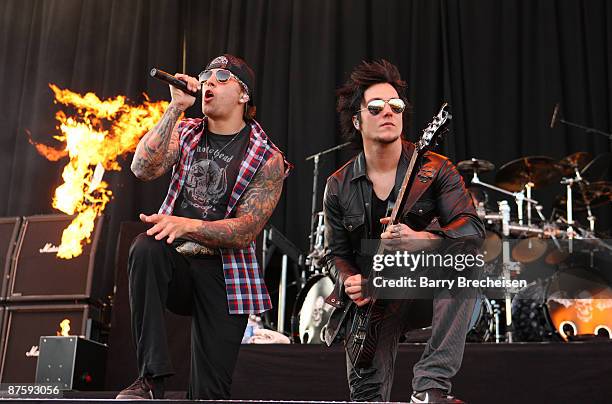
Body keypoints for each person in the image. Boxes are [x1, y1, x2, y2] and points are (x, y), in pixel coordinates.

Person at [116, 54, 291, 400]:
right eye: (206, 75)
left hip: (226, 277)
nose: (209, 81)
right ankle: (151, 380)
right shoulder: (186, 131)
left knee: (209, 394)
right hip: (178, 263)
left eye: (222, 77)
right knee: (145, 248)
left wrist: (188, 224)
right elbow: (141, 168)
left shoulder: (267, 158)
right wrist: (175, 108)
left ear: (244, 95)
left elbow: (246, 230)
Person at [322, 60, 485, 403]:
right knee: (367, 395)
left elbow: (472, 228)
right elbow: (335, 253)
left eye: (395, 107)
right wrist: (349, 279)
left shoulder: (436, 168)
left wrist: (423, 240)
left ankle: (430, 386)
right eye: (376, 107)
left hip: (423, 288)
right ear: (357, 120)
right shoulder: (337, 186)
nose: (388, 113)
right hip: (374, 300)